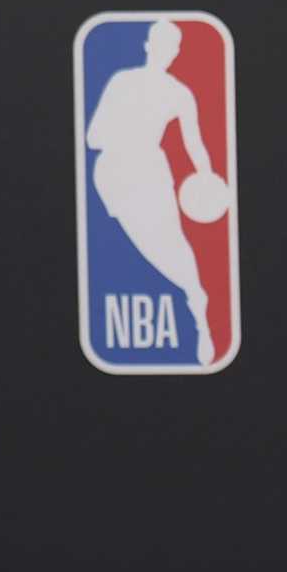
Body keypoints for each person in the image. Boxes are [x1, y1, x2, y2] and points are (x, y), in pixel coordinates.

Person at [85, 20, 218, 365]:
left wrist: (206, 177)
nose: (166, 52)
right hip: (113, 176)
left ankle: (199, 306)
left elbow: (195, 144)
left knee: (171, 243)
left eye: (172, 46)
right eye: (162, 43)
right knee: (147, 246)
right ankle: (196, 296)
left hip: (151, 173)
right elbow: (92, 137)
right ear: (149, 45)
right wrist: (125, 132)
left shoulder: (179, 93)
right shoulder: (121, 81)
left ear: (175, 53)